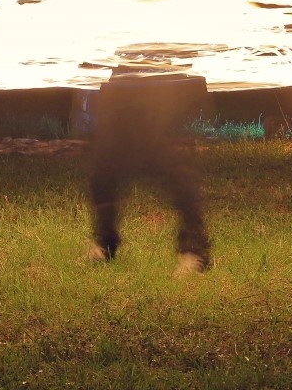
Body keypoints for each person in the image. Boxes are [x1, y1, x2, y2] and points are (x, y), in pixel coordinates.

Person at [86, 72, 212, 277]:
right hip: (125, 83)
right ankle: (105, 243)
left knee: (167, 163)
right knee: (104, 165)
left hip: (156, 85)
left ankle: (195, 249)